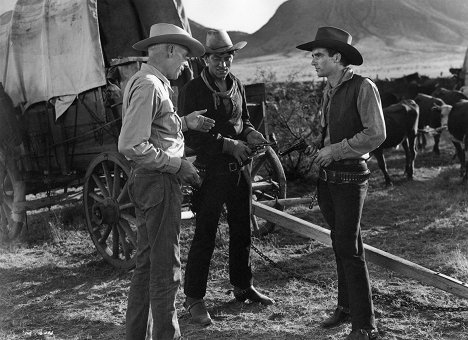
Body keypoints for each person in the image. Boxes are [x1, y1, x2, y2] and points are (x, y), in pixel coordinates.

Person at [118, 23, 215, 340]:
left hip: (153, 182)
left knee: (147, 266)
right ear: (171, 50)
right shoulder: (149, 86)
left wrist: (184, 122)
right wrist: (177, 165)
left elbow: (155, 130)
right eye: (184, 56)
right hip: (159, 183)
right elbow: (132, 144)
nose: (186, 64)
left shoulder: (148, 82)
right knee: (165, 269)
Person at [178, 29, 275, 326]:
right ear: (206, 59)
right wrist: (227, 144)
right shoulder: (192, 90)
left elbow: (242, 120)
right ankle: (194, 299)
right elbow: (191, 133)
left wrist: (249, 132)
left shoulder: (237, 85)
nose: (223, 63)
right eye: (217, 58)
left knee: (242, 230)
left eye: (228, 57)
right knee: (205, 235)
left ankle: (243, 286)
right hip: (210, 173)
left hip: (239, 170)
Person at [297, 27, 386, 340]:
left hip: (350, 178)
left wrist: (334, 150)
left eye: (318, 56)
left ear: (337, 57)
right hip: (328, 179)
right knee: (342, 245)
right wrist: (319, 147)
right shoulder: (329, 89)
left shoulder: (363, 87)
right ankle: (346, 308)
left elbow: (376, 134)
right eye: (313, 56)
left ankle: (365, 325)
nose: (313, 62)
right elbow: (332, 130)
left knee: (349, 249)